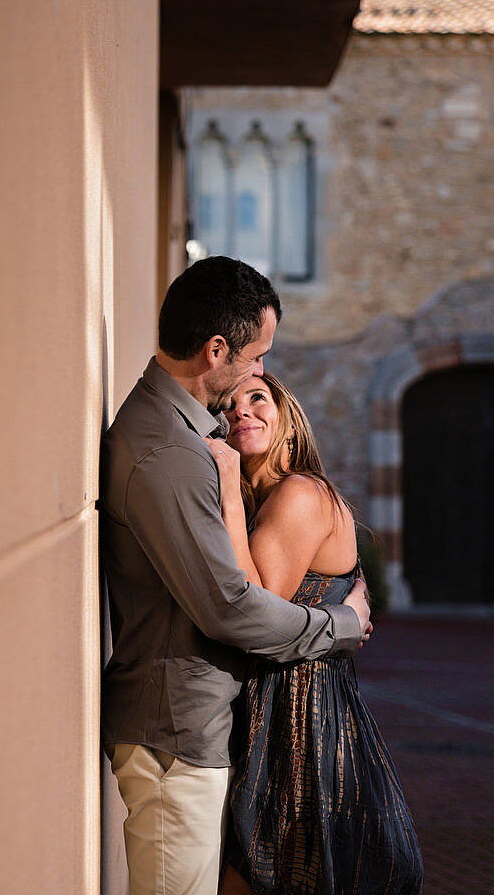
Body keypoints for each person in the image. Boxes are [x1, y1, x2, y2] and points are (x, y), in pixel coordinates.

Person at [100, 257, 373, 895]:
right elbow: (231, 608)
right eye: (255, 357)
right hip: (176, 735)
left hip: (191, 730)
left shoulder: (184, 437)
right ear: (216, 350)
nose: (259, 371)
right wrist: (342, 625)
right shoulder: (169, 451)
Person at [209, 372, 423, 895]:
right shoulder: (274, 499)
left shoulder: (300, 493)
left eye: (257, 398)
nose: (241, 410)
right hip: (280, 704)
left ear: (289, 419)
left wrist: (229, 493)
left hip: (300, 715)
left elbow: (256, 607)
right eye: (229, 404)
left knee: (265, 870)